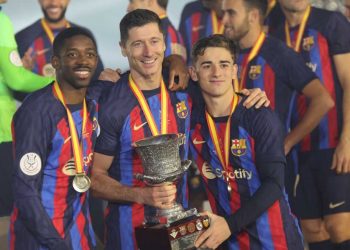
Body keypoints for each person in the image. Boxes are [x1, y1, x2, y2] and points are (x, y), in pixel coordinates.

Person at [189, 33, 304, 250]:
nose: (216, 73)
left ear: (235, 70)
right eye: (207, 66)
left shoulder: (258, 115)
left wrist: (229, 226)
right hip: (227, 241)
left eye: (224, 65)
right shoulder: (191, 119)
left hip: (275, 242)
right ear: (193, 73)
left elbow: (275, 184)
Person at [90, 9, 192, 250]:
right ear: (123, 48)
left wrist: (252, 96)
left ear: (164, 43)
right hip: (129, 235)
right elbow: (94, 178)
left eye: (154, 41)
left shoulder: (184, 86)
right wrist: (141, 196)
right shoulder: (112, 106)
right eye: (137, 44)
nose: (148, 52)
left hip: (180, 228)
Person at [221, 0, 334, 212]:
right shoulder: (226, 54)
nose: (224, 20)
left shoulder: (278, 53)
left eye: (230, 13)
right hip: (235, 163)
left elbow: (323, 99)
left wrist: (288, 142)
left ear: (253, 16)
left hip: (271, 165)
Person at [9, 27, 103, 249]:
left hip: (80, 235)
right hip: (41, 240)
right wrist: (56, 244)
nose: (83, 61)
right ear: (56, 62)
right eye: (72, 54)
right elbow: (25, 191)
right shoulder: (37, 112)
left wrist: (173, 60)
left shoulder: (93, 101)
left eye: (89, 54)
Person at [272, 0, 350, 249]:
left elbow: (348, 81)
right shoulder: (271, 30)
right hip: (294, 152)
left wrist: (347, 140)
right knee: (312, 230)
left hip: (334, 144)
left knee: (340, 227)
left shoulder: (331, 22)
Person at [0, 0, 53, 248]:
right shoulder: (1, 20)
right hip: (2, 132)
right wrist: (59, 81)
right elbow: (16, 80)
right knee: (6, 217)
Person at [15, 0, 103, 79]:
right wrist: (22, 74)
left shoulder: (85, 36)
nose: (53, 3)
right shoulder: (23, 38)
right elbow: (16, 90)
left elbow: (97, 78)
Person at [179, 0, 224, 64]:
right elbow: (181, 50)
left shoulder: (240, 14)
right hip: (193, 72)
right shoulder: (190, 10)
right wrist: (176, 61)